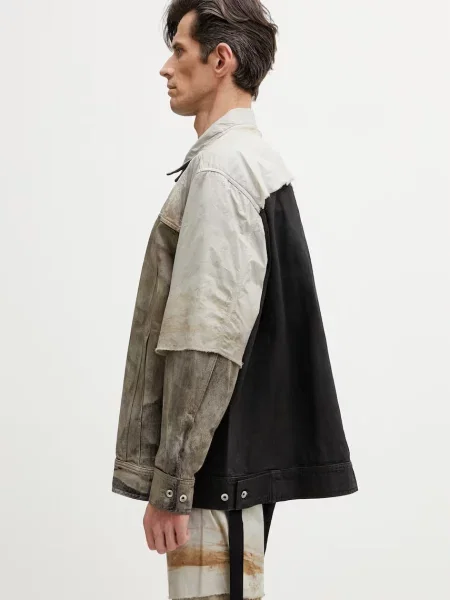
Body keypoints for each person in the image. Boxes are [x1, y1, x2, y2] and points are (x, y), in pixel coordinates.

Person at [111, 2, 358, 600]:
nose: (165, 68)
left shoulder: (222, 171)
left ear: (220, 60)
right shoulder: (247, 162)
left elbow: (205, 340)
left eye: (179, 50)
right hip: (221, 468)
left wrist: (173, 483)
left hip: (213, 474)